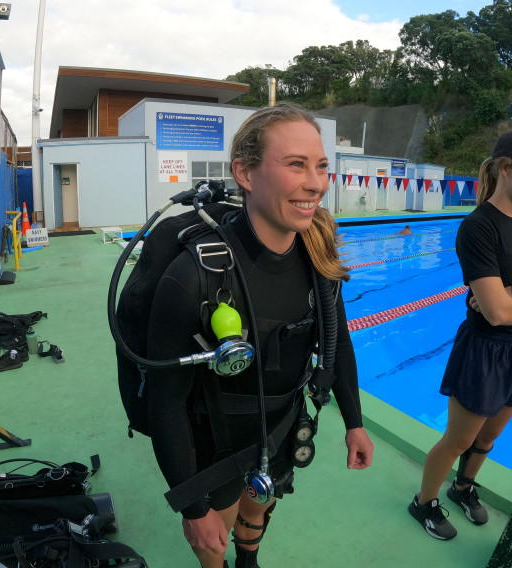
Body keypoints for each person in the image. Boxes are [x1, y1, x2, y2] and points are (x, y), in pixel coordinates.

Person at [146, 102, 374, 568]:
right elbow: (165, 401)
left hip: (282, 428)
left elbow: (339, 341)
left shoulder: (318, 259)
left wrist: (355, 421)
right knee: (213, 542)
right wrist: (193, 506)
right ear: (245, 174)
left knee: (261, 504)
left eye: (321, 166)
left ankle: (248, 558)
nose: (315, 183)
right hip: (217, 443)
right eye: (296, 165)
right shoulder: (194, 278)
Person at [408, 129, 512, 540]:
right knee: (458, 439)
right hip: (486, 350)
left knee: (490, 435)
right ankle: (423, 502)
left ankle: (463, 487)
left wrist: (504, 296)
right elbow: (496, 311)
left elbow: (504, 304)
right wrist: (498, 300)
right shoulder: (479, 227)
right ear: (506, 168)